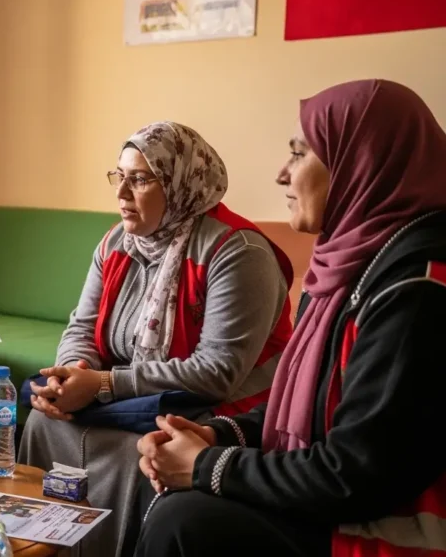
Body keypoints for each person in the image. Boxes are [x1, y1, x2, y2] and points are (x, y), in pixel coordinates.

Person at [135, 79, 446, 557]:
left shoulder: (417, 292)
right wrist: (218, 434)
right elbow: (310, 407)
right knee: (172, 493)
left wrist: (207, 466)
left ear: (358, 163)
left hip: (378, 530)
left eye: (300, 155)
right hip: (337, 501)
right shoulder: (347, 268)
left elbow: (357, 474)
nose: (282, 174)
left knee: (186, 520)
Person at [17, 121, 295, 556]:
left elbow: (216, 373)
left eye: (141, 179)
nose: (121, 193)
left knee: (141, 447)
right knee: (41, 415)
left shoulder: (238, 252)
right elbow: (82, 326)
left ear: (182, 183)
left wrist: (105, 386)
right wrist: (74, 373)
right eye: (119, 176)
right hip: (133, 395)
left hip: (216, 407)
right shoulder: (116, 242)